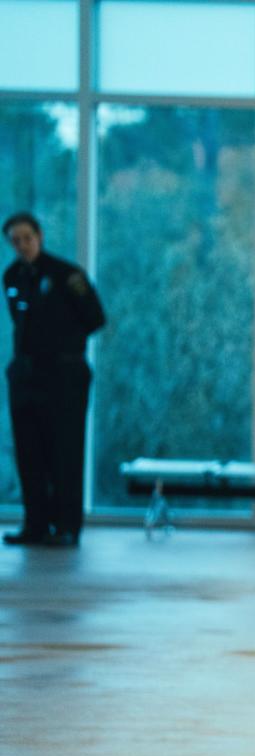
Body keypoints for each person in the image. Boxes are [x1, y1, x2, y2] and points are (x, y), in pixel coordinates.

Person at [3, 212, 105, 548]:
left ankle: (66, 525)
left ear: (40, 236)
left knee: (65, 451)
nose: (22, 246)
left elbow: (94, 317)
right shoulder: (13, 277)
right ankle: (36, 523)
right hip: (28, 376)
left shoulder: (67, 275)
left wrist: (61, 342)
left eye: (26, 239)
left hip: (63, 375)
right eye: (15, 241)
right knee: (30, 452)